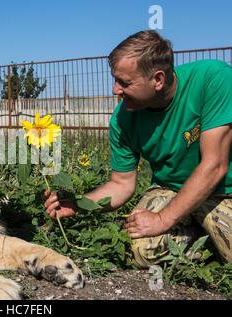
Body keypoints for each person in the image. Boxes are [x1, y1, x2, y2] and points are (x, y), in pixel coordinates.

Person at [44, 30, 232, 267]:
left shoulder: (213, 79)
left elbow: (215, 165)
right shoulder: (123, 119)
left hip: (223, 192)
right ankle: (199, 240)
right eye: (115, 80)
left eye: (125, 82)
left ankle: (195, 236)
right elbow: (121, 184)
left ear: (158, 79)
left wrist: (163, 218)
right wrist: (80, 204)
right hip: (169, 191)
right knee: (138, 250)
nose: (115, 90)